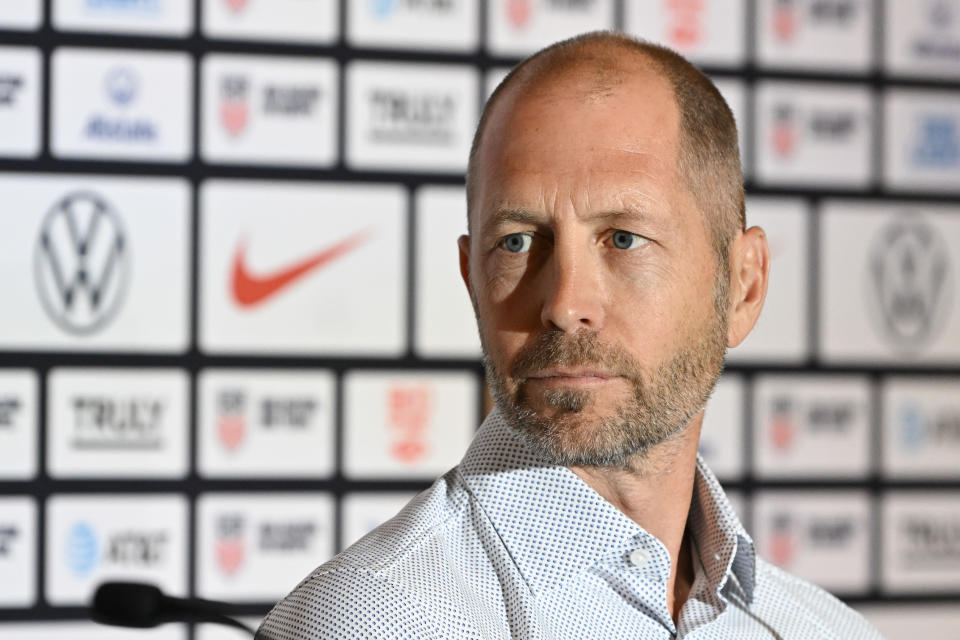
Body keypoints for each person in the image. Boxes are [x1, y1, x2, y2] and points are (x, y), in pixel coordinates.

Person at [256, 31, 882, 639]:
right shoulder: (372, 622)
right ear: (472, 280)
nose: (564, 304)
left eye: (624, 238)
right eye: (518, 242)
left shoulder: (826, 629)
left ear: (743, 288)